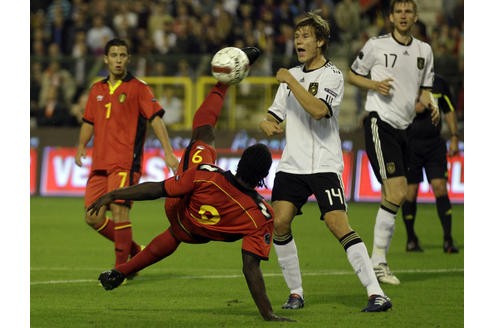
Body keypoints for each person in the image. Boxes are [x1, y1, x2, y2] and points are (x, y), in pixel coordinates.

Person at [88, 47, 293, 322]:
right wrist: (268, 313)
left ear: (240, 161)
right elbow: (250, 268)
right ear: (263, 178)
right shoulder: (261, 216)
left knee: (204, 131)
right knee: (177, 234)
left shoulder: (206, 174)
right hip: (196, 232)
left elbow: (156, 189)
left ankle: (223, 84)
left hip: (182, 208)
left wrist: (113, 194)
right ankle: (121, 270)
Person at [258, 11, 392, 312]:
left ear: (320, 42)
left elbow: (318, 110)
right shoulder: (290, 78)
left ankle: (376, 293)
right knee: (279, 222)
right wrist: (267, 123)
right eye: (297, 37)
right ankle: (295, 292)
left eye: (305, 37)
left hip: (323, 164)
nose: (299, 41)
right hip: (292, 165)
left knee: (337, 223)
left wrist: (290, 80)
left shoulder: (332, 75)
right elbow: (273, 115)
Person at [347, 0, 440, 285]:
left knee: (394, 194)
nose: (403, 16)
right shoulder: (376, 45)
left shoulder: (425, 51)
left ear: (415, 17)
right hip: (380, 122)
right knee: (397, 191)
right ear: (390, 17)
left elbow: (424, 90)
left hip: (405, 128)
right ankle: (378, 262)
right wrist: (374, 85)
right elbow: (352, 75)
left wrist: (431, 100)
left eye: (408, 12)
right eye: (398, 12)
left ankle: (376, 262)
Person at [75, 38, 180, 269]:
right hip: (99, 164)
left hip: (124, 163)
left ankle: (121, 270)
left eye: (122, 55)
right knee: (92, 216)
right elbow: (88, 121)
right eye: (114, 55)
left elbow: (156, 119)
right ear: (106, 59)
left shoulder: (139, 88)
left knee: (120, 211)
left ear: (128, 59)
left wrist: (168, 152)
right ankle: (135, 250)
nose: (118, 60)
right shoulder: (97, 89)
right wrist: (81, 145)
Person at [402, 22, 460, 254]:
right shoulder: (404, 82)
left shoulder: (439, 82)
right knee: (410, 193)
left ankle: (448, 239)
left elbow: (449, 111)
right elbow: (396, 111)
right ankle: (411, 239)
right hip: (410, 144)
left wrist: (454, 136)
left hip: (434, 144)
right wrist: (415, 106)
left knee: (440, 188)